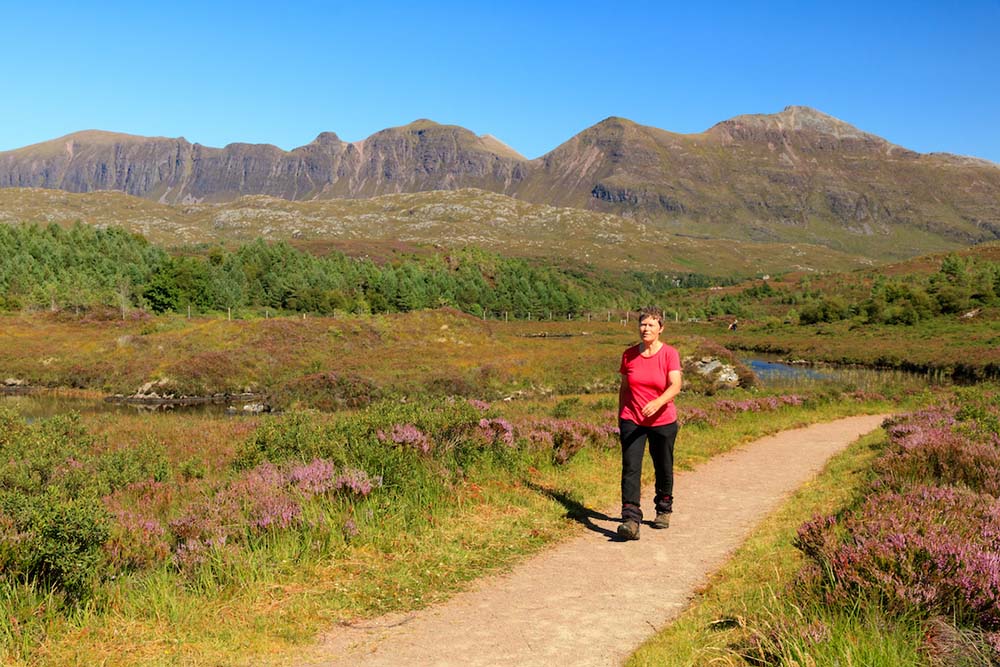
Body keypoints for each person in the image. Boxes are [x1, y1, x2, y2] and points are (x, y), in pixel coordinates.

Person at [616, 306, 683, 540]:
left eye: (651, 325)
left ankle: (663, 509)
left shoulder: (669, 354)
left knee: (663, 465)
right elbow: (625, 388)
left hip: (663, 420)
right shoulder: (629, 355)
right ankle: (630, 519)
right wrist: (621, 417)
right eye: (643, 324)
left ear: (661, 328)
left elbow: (675, 385)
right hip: (632, 419)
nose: (645, 329)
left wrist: (658, 402)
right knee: (631, 467)